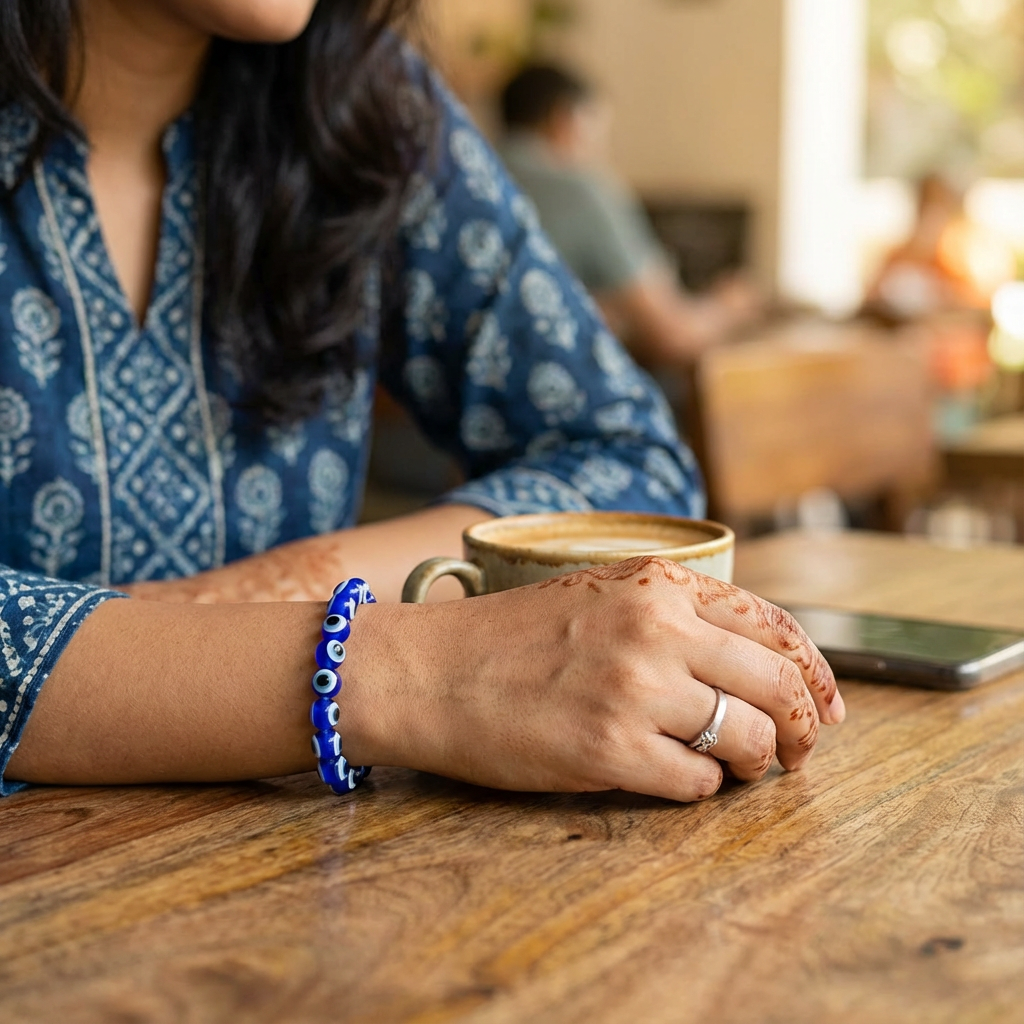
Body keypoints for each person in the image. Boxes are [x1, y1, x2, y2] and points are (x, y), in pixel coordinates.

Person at [0, 0, 844, 804]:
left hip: (284, 866)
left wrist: (202, 626)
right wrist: (408, 672)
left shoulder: (362, 106)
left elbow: (633, 465)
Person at [498, 64, 761, 366]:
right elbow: (671, 336)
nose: (599, 148)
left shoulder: (479, 182)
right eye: (597, 130)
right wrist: (727, 307)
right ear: (564, 118)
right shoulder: (581, 189)